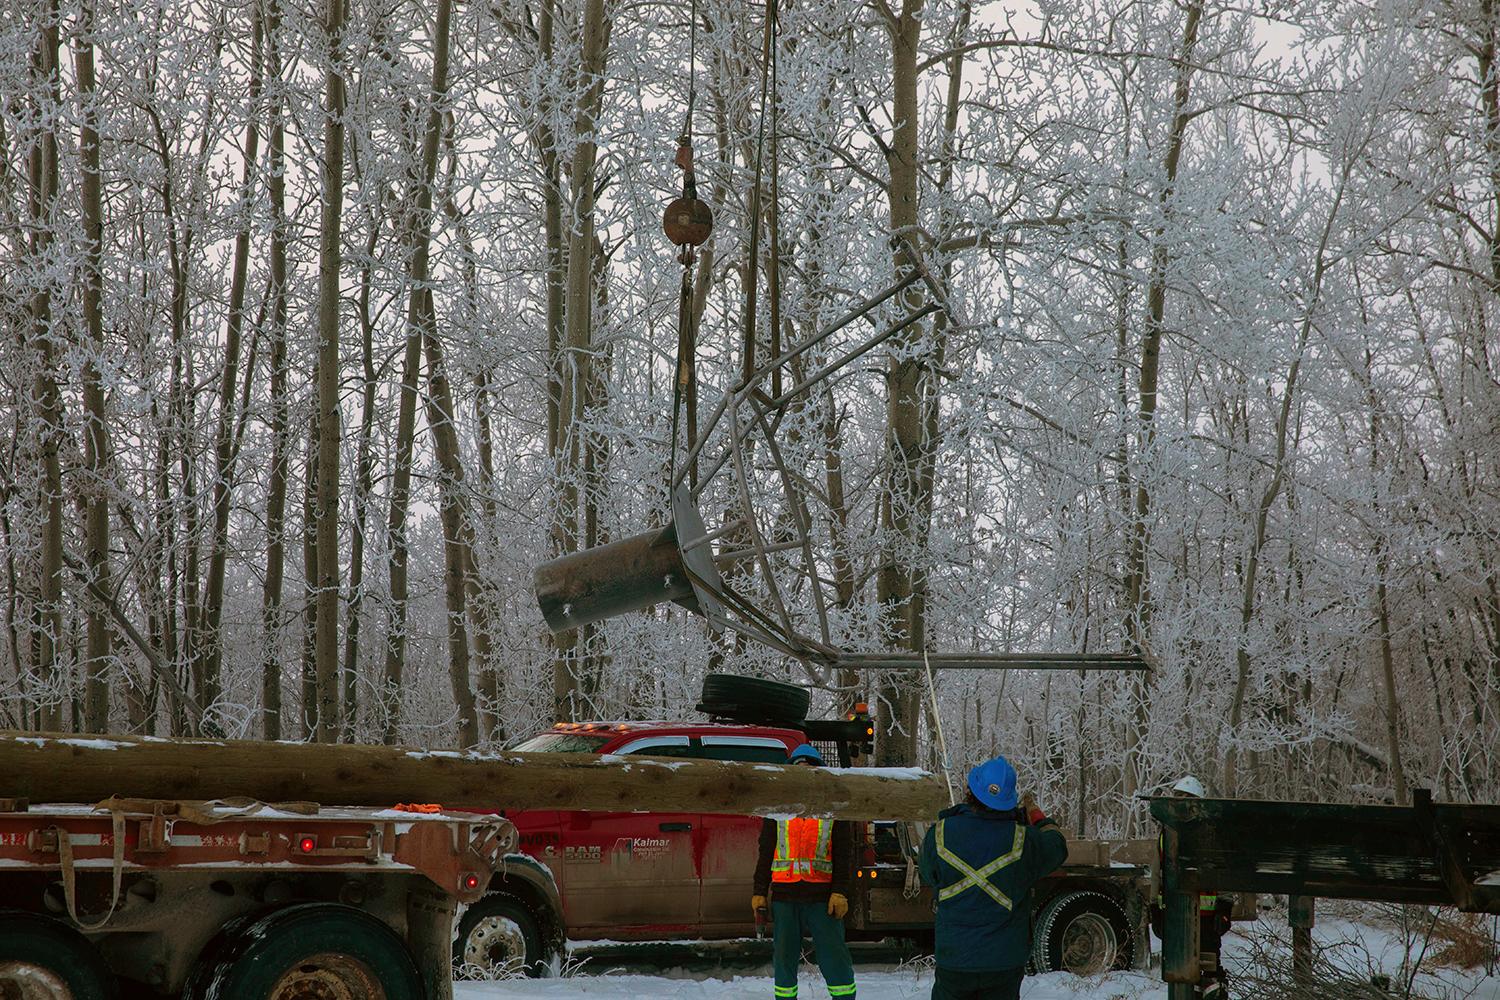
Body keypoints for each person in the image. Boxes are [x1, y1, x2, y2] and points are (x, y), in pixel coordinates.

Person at [918, 754, 1068, 1000]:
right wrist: (1037, 816)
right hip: (1004, 963)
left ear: (970, 792)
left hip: (955, 959)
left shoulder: (940, 833)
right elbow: (1057, 846)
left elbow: (929, 873)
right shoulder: (1023, 840)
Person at [752, 743, 856, 1000]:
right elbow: (766, 850)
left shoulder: (832, 808)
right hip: (785, 899)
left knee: (835, 961)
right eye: (799, 768)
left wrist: (840, 892)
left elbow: (844, 853)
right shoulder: (778, 808)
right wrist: (758, 891)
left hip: (823, 900)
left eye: (809, 768)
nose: (804, 772)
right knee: (784, 964)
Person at [1152, 775, 1233, 999]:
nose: (1181, 805)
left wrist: (1224, 909)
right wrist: (1155, 908)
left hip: (1207, 919)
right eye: (1178, 799)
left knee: (1210, 975)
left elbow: (1224, 872)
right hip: (1175, 917)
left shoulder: (1210, 834)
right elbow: (1157, 873)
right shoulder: (1167, 833)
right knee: (1182, 977)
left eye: (1185, 799)